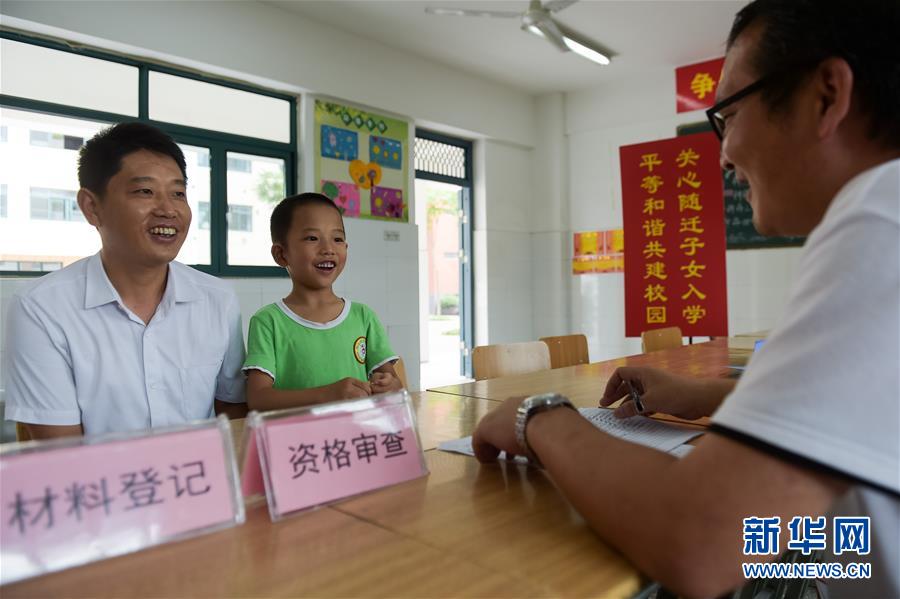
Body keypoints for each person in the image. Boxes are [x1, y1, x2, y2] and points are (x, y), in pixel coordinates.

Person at [472, 0, 899, 596]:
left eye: (728, 112)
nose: (721, 154)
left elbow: (700, 540)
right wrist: (710, 397)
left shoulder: (881, 220)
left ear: (826, 95)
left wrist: (536, 417)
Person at [4, 123, 247, 439]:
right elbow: (61, 454)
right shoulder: (41, 309)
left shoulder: (218, 300)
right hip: (97, 487)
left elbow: (234, 415)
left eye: (178, 193)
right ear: (92, 207)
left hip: (198, 483)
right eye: (145, 191)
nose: (168, 209)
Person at [242, 193, 402, 410]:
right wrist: (327, 394)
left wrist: (390, 386)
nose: (328, 249)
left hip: (357, 437)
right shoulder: (267, 321)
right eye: (312, 238)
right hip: (299, 443)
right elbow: (259, 400)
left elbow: (393, 382)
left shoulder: (363, 316)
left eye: (337, 239)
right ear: (281, 254)